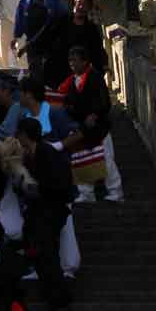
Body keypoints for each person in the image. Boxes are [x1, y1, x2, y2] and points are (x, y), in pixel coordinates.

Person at [14, 118, 74, 311]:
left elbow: (59, 183)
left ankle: (60, 299)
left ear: (25, 135)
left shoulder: (46, 152)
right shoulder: (30, 155)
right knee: (40, 255)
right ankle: (52, 295)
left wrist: (39, 189)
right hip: (39, 213)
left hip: (51, 211)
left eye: (20, 134)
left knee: (48, 255)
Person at [59, 46, 124, 203]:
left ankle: (115, 191)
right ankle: (86, 193)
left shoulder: (95, 78)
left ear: (85, 61)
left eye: (75, 60)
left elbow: (104, 102)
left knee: (106, 159)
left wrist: (94, 114)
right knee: (82, 159)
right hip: (82, 128)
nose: (72, 64)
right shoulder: (73, 81)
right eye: (70, 60)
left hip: (98, 128)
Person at [12, 0, 63, 82]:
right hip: (33, 49)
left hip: (50, 46)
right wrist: (16, 38)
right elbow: (19, 23)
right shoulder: (24, 3)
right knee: (36, 76)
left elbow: (53, 22)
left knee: (51, 76)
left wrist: (28, 45)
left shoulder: (52, 0)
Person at [66, 0, 107, 74]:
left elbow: (98, 49)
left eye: (84, 5)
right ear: (74, 3)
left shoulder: (91, 29)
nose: (81, 7)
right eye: (79, 3)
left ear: (89, 9)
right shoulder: (63, 22)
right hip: (65, 71)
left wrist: (104, 64)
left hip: (84, 72)